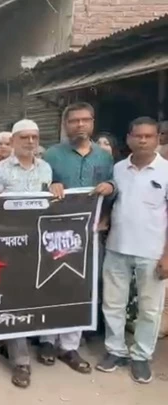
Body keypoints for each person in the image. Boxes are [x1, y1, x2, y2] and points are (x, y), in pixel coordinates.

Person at [42, 102, 115, 374]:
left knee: (81, 288)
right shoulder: (52, 155)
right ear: (66, 124)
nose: (80, 125)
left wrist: (111, 188)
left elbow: (114, 190)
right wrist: (50, 186)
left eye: (85, 120)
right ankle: (47, 340)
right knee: (52, 283)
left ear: (93, 122)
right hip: (56, 233)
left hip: (90, 234)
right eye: (74, 121)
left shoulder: (105, 158)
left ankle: (69, 345)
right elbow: (40, 186)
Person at [96, 117, 167, 384]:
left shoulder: (166, 171)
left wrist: (167, 256)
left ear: (157, 139)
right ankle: (115, 350)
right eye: (138, 136)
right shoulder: (118, 169)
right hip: (117, 246)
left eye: (149, 136)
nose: (143, 140)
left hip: (152, 251)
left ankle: (141, 356)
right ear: (129, 139)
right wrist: (103, 222)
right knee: (113, 303)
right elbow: (112, 203)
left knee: (149, 309)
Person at [0, 119, 52, 388]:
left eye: (34, 137)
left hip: (39, 244)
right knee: (15, 301)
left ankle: (38, 343)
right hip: (10, 245)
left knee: (37, 297)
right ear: (13, 141)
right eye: (24, 137)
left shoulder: (46, 168)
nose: (30, 142)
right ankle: (21, 361)